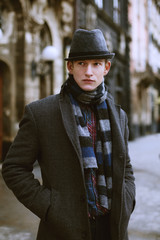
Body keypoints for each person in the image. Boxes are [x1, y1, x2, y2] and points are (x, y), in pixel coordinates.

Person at [2, 29, 135, 240]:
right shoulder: (41, 113)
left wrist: (127, 200)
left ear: (106, 68)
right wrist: (51, 207)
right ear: (70, 67)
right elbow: (13, 168)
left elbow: (125, 167)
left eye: (96, 64)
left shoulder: (119, 116)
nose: (89, 72)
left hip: (112, 229)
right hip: (62, 230)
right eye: (82, 63)